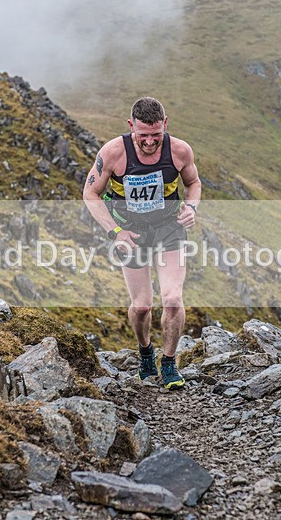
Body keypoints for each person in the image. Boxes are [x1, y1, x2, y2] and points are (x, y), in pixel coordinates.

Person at [83, 97, 201, 389]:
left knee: (172, 299)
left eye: (156, 135)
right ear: (130, 126)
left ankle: (170, 363)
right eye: (142, 135)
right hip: (132, 233)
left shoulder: (179, 151)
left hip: (168, 228)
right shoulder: (112, 153)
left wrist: (191, 208)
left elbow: (194, 184)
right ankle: (146, 350)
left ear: (165, 124)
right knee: (142, 307)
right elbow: (90, 194)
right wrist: (116, 232)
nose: (150, 142)